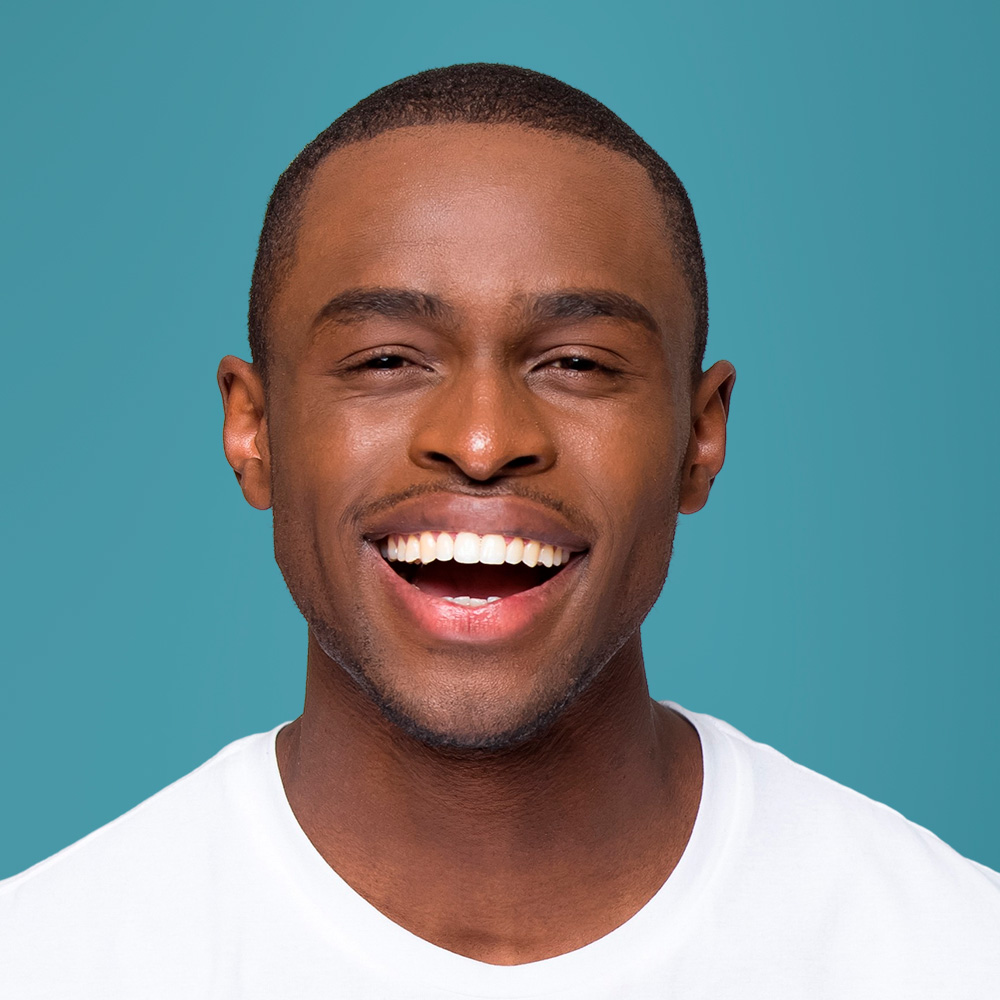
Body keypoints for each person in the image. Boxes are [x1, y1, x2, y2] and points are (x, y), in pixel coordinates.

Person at [2, 63, 997, 999]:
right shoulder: (52, 959)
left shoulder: (947, 954)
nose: (481, 442)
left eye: (575, 362)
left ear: (699, 437)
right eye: (388, 359)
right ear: (252, 430)